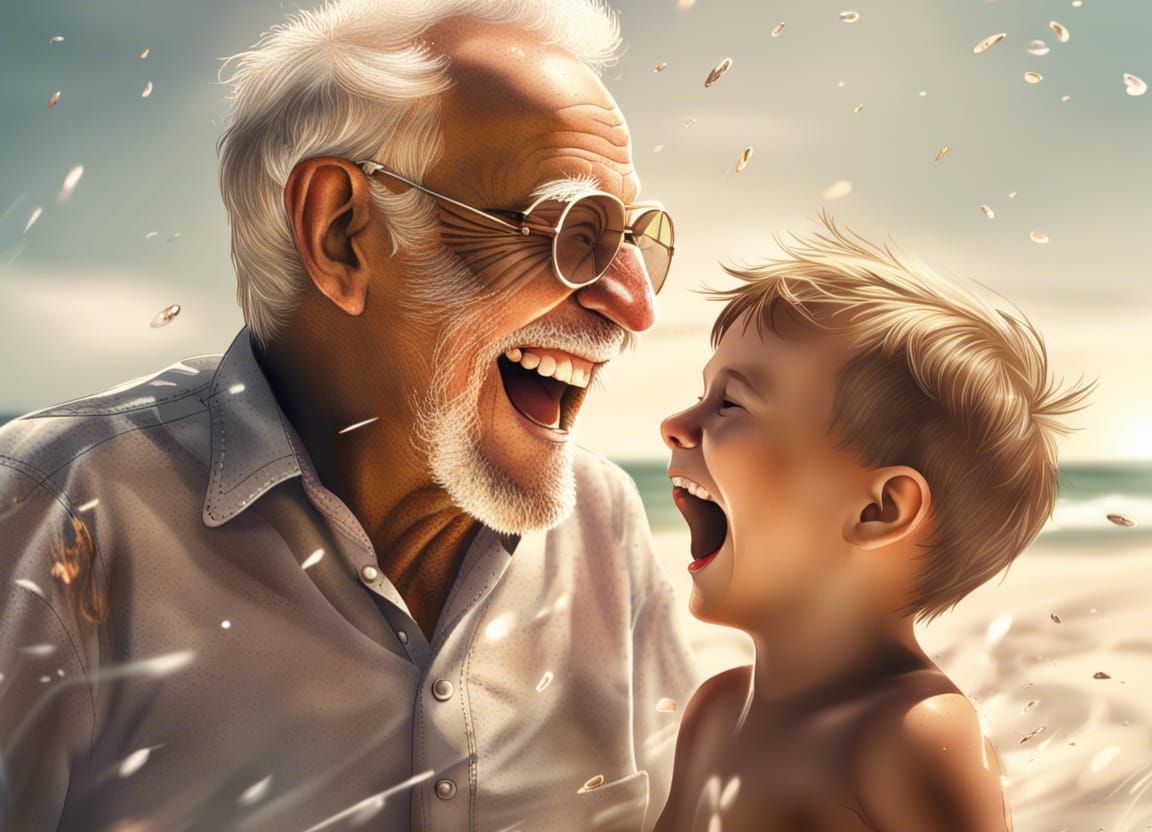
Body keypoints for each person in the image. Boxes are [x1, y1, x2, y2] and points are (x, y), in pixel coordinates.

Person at [0, 2, 698, 829]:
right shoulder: (52, 515)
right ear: (341, 233)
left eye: (632, 239)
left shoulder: (605, 528)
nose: (635, 306)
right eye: (573, 231)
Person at [654, 217, 1092, 831]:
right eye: (704, 393)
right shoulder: (716, 711)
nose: (677, 422)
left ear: (878, 511)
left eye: (731, 403)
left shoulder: (913, 737)